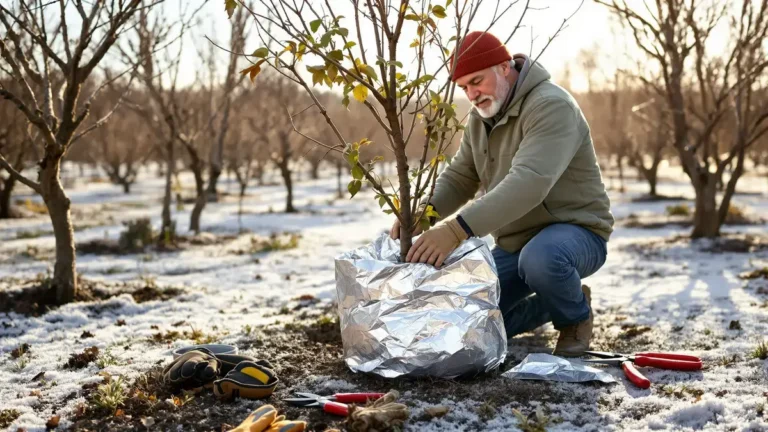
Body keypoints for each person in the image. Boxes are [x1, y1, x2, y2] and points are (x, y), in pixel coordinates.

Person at [389, 31, 614, 357]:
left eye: (477, 81)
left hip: (575, 233)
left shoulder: (551, 105)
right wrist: (425, 212)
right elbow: (461, 176)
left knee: (541, 259)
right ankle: (553, 304)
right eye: (464, 87)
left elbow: (530, 182)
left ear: (505, 67)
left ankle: (575, 317)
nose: (472, 93)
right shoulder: (482, 119)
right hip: (515, 243)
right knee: (470, 319)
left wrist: (455, 230)